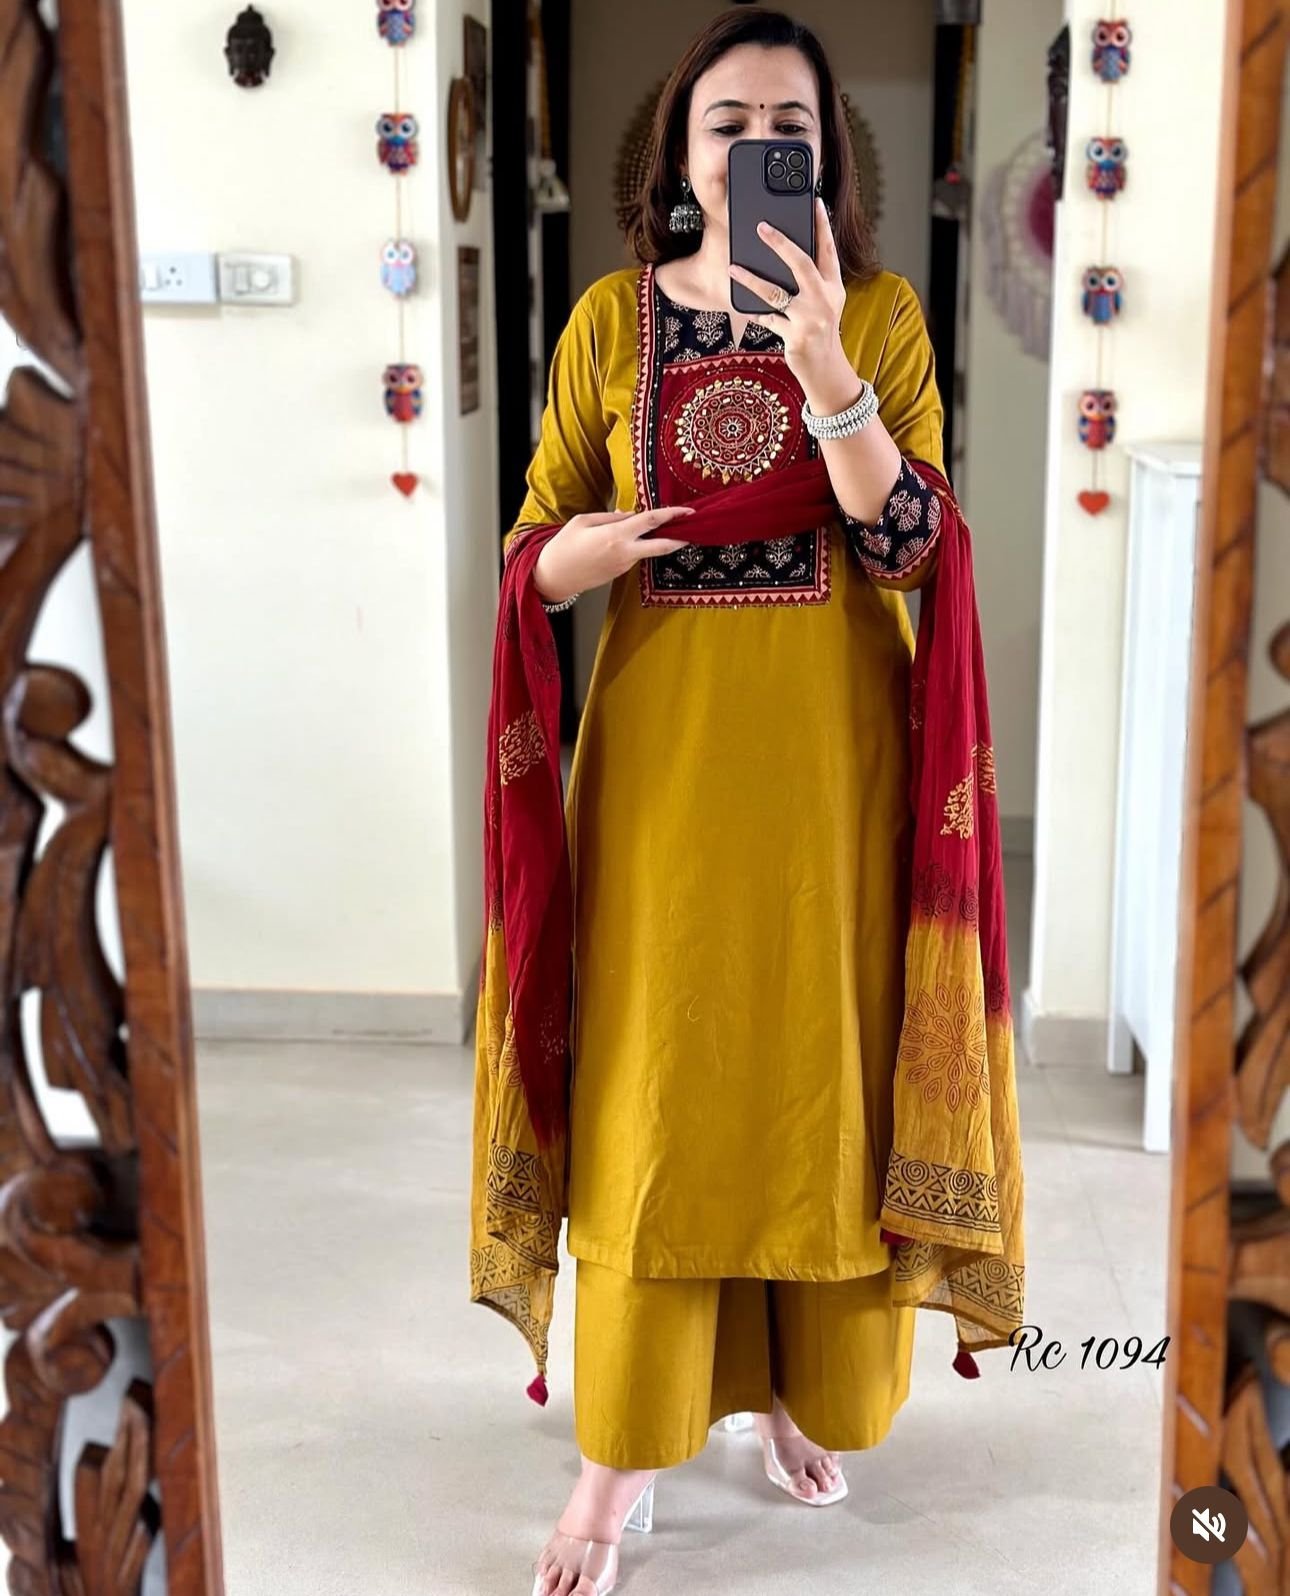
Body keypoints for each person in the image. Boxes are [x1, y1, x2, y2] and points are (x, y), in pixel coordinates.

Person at [468, 10, 1026, 1594]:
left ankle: (790, 1383)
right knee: (660, 1082)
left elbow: (910, 546)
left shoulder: (882, 318)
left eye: (788, 123)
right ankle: (620, 1451)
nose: (755, 145)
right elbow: (532, 539)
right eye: (726, 121)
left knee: (811, 1073)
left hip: (837, 777)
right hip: (659, 776)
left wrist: (826, 366)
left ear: (825, 155)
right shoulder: (608, 320)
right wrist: (573, 559)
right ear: (678, 153)